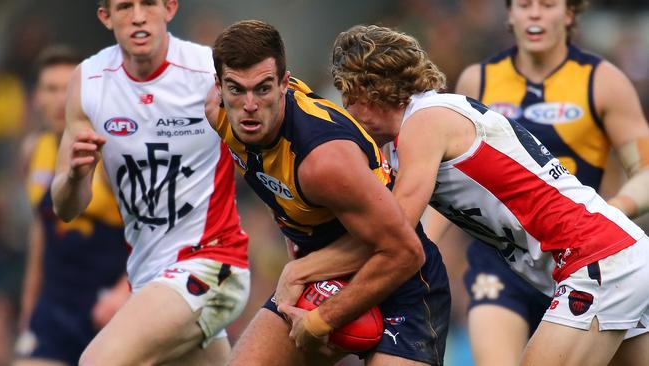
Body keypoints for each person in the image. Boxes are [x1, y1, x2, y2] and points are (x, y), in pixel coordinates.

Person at [322, 24, 649, 365]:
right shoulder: (414, 132)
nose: (349, 112)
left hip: (595, 258)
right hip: (608, 255)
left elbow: (395, 228)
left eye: (349, 98)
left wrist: (319, 285)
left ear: (372, 90)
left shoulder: (423, 123)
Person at [206, 20, 451, 366]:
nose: (249, 105)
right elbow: (274, 183)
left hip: (400, 283)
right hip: (322, 272)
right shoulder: (215, 114)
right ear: (219, 86)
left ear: (284, 84)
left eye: (262, 89)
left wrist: (322, 319)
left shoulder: (324, 160)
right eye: (236, 89)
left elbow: (405, 253)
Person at [447, 1, 649, 364]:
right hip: (501, 263)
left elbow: (647, 170)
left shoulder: (602, 80)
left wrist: (613, 210)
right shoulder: (477, 80)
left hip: (584, 261)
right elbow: (451, 182)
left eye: (547, 4)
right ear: (510, 15)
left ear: (570, 14)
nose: (534, 14)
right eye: (524, 5)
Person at [50, 1, 250, 365]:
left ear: (170, 8)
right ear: (105, 17)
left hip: (211, 262)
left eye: (149, 4)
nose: (138, 16)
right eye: (125, 6)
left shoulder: (209, 70)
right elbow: (65, 207)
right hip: (148, 277)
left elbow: (273, 131)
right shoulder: (90, 80)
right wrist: (77, 174)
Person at [12, 45, 129, 366]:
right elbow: (42, 228)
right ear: (36, 96)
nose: (61, 99)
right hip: (54, 309)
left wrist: (125, 290)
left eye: (69, 89)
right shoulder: (33, 149)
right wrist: (29, 304)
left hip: (107, 311)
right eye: (51, 89)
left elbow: (148, 230)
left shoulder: (109, 154)